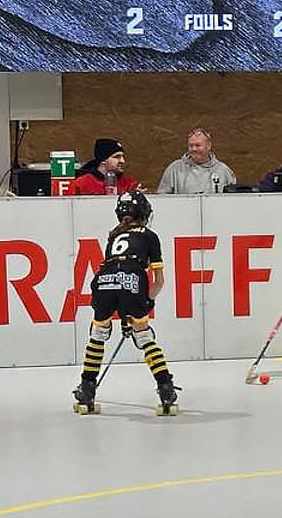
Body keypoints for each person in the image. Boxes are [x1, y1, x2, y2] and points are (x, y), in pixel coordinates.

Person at [71, 190, 177, 415]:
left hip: (104, 280)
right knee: (144, 335)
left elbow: (115, 279)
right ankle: (165, 387)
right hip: (132, 279)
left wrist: (124, 313)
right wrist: (147, 302)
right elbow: (158, 281)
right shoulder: (150, 236)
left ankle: (86, 388)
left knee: (98, 334)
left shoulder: (113, 236)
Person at [155, 128, 236, 195]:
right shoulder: (175, 169)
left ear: (208, 146)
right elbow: (162, 198)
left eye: (198, 145)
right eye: (191, 145)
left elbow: (233, 199)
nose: (193, 149)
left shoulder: (223, 171)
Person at [70, 138, 139, 197]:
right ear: (103, 160)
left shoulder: (128, 182)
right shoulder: (82, 183)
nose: (122, 161)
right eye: (117, 157)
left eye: (122, 156)